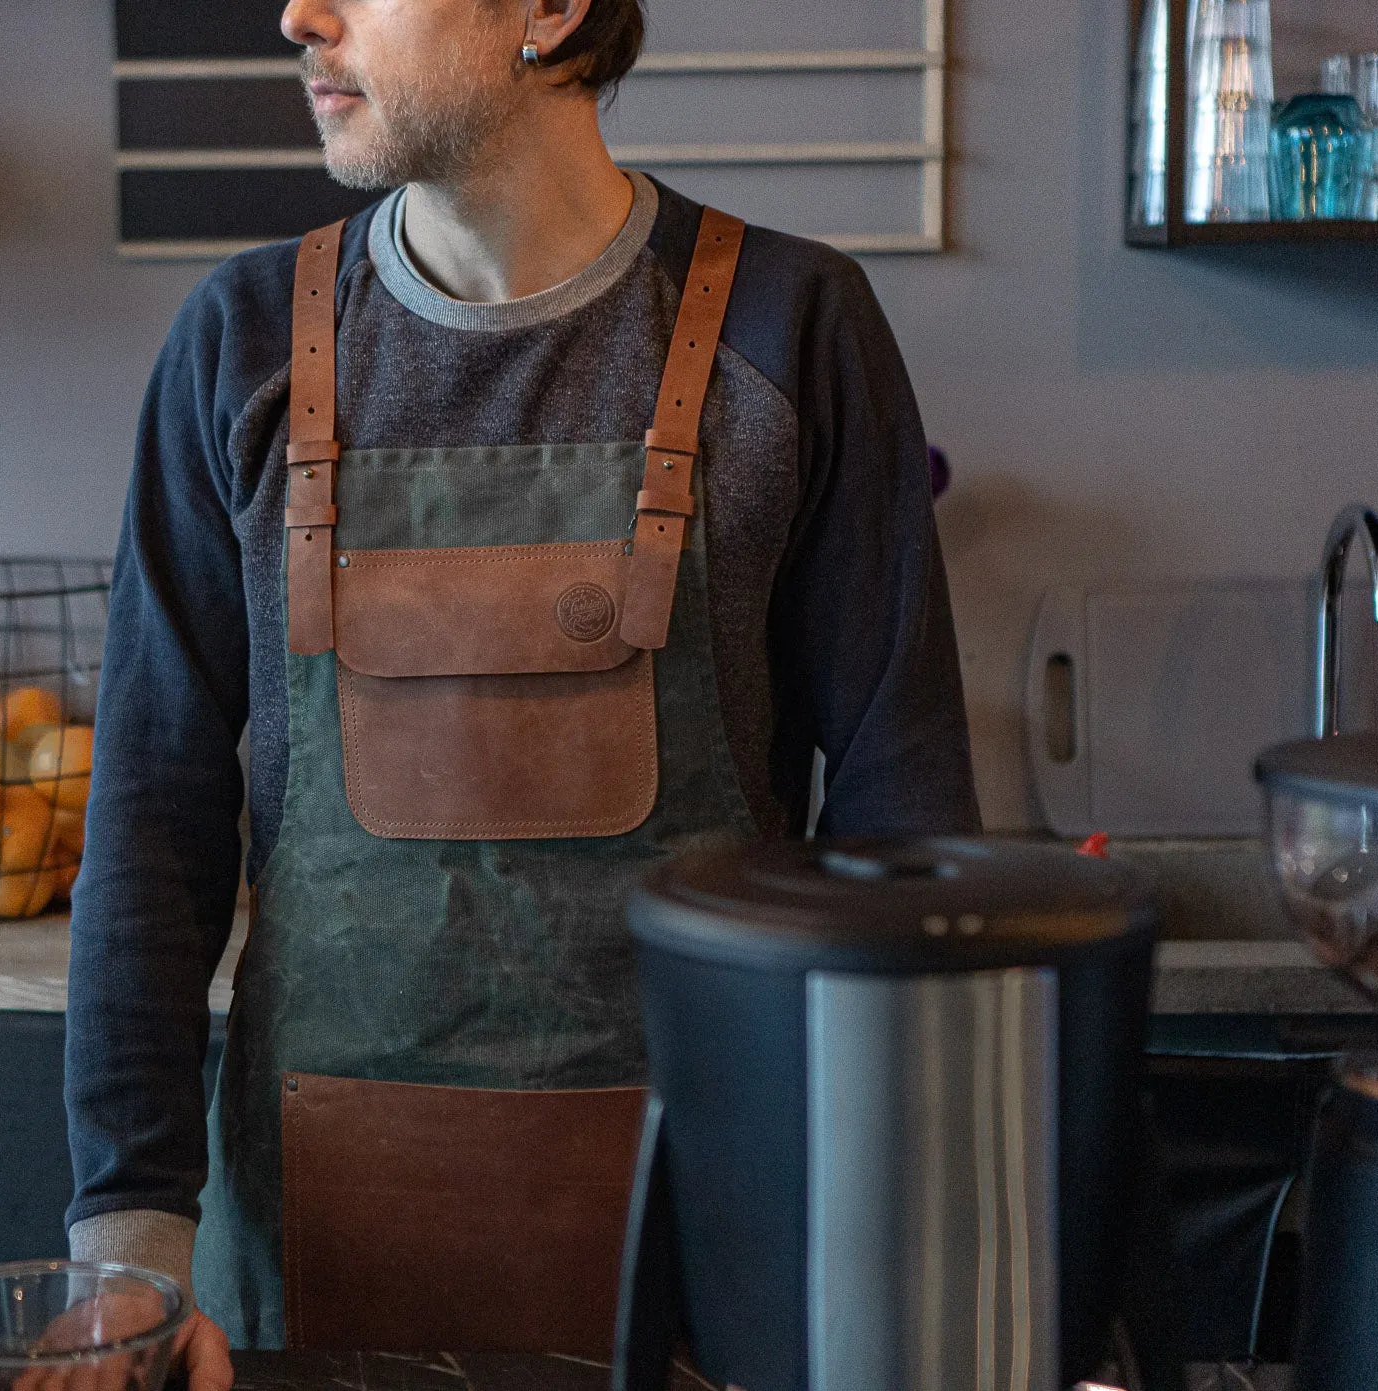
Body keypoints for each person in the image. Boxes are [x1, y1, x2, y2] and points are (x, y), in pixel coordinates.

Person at [63, 0, 981, 1381]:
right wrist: (130, 1270)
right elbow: (148, 829)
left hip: (704, 1281)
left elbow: (907, 834)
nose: (296, 15)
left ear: (548, 11)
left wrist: (894, 1265)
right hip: (309, 1295)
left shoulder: (794, 332)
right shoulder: (239, 345)